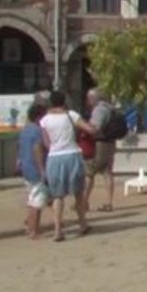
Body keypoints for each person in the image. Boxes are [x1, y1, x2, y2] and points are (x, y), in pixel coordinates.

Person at [38, 91, 96, 241]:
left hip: (54, 157)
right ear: (64, 101)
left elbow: (46, 143)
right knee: (78, 192)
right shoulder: (71, 115)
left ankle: (58, 230)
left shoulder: (44, 120)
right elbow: (90, 129)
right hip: (72, 154)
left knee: (57, 196)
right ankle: (82, 224)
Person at [84, 89, 117, 212]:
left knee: (89, 172)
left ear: (94, 98)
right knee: (107, 172)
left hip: (100, 143)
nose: (87, 101)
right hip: (110, 142)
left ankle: (84, 201)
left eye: (89, 98)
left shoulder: (99, 110)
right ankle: (109, 202)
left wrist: (84, 126)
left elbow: (95, 127)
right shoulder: (111, 108)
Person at [18, 103, 48, 239]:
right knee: (36, 201)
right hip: (35, 169)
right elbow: (37, 150)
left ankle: (33, 227)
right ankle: (33, 231)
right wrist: (42, 169)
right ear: (38, 117)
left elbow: (19, 149)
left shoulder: (25, 130)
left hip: (26, 168)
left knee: (32, 199)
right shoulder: (37, 131)